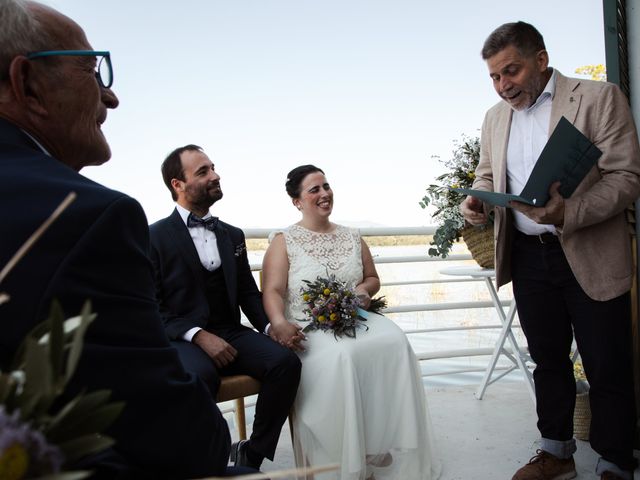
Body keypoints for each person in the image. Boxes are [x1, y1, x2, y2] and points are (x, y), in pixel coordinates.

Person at [0, 1, 254, 478]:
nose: (110, 99)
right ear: (27, 84)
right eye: (92, 73)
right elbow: (176, 435)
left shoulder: (230, 235)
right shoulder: (92, 215)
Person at [461, 21, 639, 480]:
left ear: (541, 59)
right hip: (525, 255)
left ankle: (616, 459)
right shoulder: (494, 118)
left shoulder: (600, 98)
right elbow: (486, 173)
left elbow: (626, 179)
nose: (503, 86)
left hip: (590, 250)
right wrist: (477, 198)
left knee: (608, 362)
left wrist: (568, 213)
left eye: (511, 71)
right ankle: (557, 453)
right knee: (547, 360)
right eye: (495, 78)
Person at [261, 165, 440, 480]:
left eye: (326, 186)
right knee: (344, 357)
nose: (324, 194)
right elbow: (273, 290)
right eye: (314, 189)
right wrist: (278, 322)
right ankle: (347, 452)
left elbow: (373, 279)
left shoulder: (352, 236)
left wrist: (363, 291)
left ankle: (382, 442)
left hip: (353, 318)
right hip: (308, 327)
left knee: (395, 341)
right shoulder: (283, 240)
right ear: (297, 201)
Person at [149, 144, 302, 471]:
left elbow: (247, 292)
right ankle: (207, 464)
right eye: (203, 171)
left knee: (285, 363)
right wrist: (198, 335)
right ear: (178, 184)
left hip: (231, 331)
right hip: (183, 339)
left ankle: (251, 456)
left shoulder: (232, 235)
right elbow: (152, 306)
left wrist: (270, 327)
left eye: (213, 168)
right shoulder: (153, 237)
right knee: (198, 377)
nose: (215, 175)